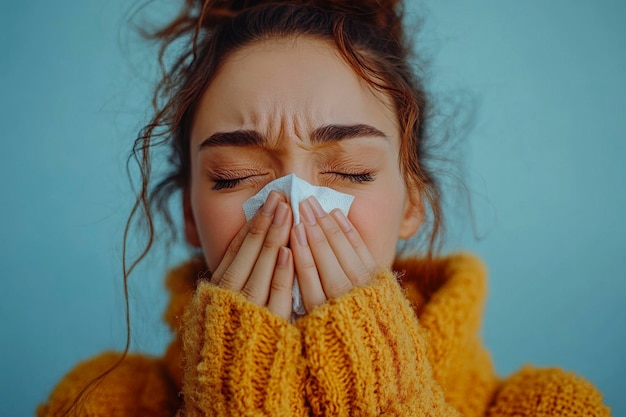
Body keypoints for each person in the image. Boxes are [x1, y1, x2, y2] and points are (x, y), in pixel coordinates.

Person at [37, 1, 611, 416]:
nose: (292, 207)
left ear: (413, 202)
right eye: (235, 175)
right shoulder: (96, 403)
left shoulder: (549, 407)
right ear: (190, 213)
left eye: (350, 171)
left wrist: (379, 392)